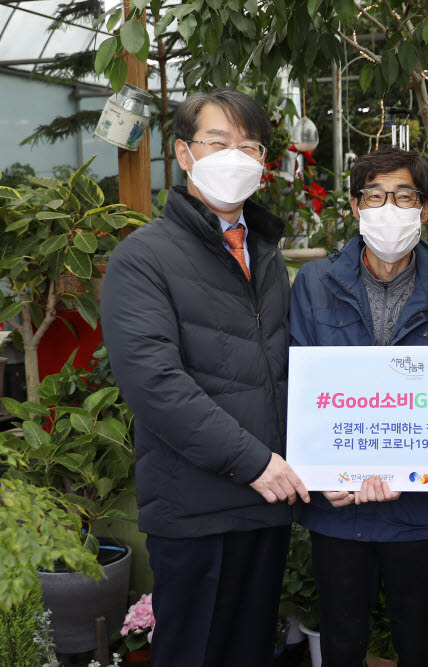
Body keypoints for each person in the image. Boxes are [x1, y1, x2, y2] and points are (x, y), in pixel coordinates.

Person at [100, 89, 309, 667]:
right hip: (197, 508)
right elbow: (154, 383)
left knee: (248, 651)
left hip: (266, 504)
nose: (235, 156)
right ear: (184, 155)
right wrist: (256, 462)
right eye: (218, 142)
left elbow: (284, 368)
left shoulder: (265, 252)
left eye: (249, 145)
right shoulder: (143, 257)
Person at [289, 146, 428, 667]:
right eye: (375, 195)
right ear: (355, 205)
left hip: (419, 508)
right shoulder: (316, 282)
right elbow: (299, 385)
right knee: (342, 642)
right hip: (339, 510)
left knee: (417, 637)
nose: (389, 207)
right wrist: (320, 474)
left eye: (404, 195)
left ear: (425, 209)